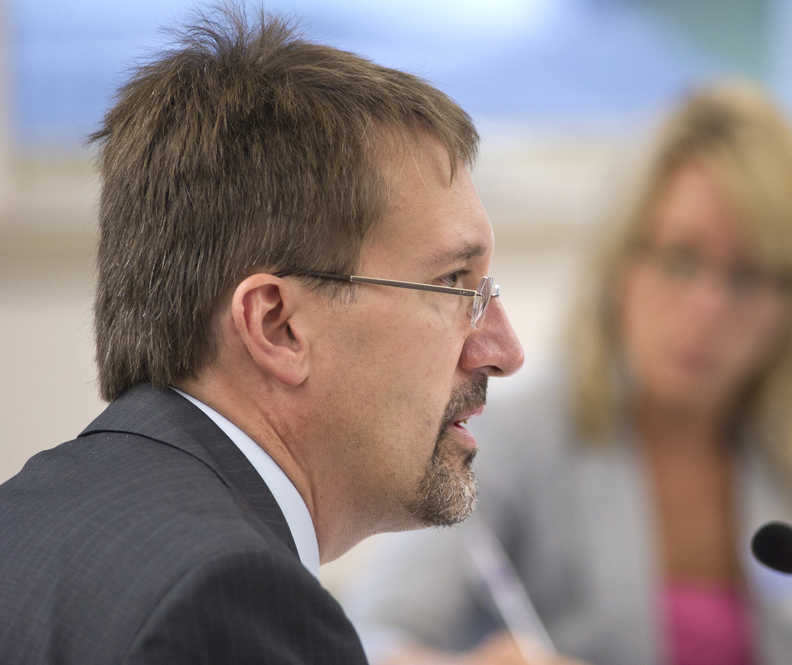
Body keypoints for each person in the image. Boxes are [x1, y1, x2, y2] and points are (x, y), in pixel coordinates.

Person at [0, 7, 525, 664]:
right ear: (277, 325)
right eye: (455, 283)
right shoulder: (232, 600)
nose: (504, 350)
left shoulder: (27, 514)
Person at [343, 83, 792, 665]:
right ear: (621, 264)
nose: (707, 310)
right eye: (681, 260)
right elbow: (374, 642)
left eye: (747, 277)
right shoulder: (506, 436)